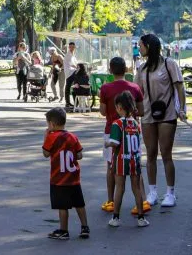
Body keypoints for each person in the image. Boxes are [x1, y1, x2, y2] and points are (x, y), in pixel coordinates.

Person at [135, 34, 187, 208]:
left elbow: (179, 86)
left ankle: (170, 193)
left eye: (140, 45)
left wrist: (182, 109)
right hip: (148, 115)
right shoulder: (141, 69)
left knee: (166, 153)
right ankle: (152, 192)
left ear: (148, 46)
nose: (139, 48)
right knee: (150, 153)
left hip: (167, 114)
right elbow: (137, 93)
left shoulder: (169, 64)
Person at [99, 56, 146, 215]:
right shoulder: (135, 87)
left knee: (111, 166)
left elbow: (103, 111)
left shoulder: (105, 88)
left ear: (111, 70)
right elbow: (142, 111)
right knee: (135, 165)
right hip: (132, 130)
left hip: (111, 129)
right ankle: (142, 201)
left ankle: (111, 201)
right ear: (126, 69)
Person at [42, 107, 89, 240]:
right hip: (73, 178)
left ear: (52, 124)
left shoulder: (52, 137)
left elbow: (46, 153)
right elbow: (79, 155)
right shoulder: (72, 136)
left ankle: (64, 230)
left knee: (62, 206)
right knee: (79, 203)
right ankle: (85, 227)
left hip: (59, 179)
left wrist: (45, 138)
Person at [104, 91, 148, 228]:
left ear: (119, 107)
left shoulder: (117, 124)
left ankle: (116, 217)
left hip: (121, 160)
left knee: (120, 188)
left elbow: (115, 143)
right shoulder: (135, 123)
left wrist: (107, 143)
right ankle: (141, 217)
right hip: (134, 159)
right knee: (136, 188)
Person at [62, 42, 79, 108]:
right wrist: (77, 67)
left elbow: (75, 63)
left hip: (72, 72)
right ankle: (68, 102)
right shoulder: (68, 55)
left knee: (71, 87)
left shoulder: (73, 55)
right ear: (69, 47)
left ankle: (73, 102)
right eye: (70, 47)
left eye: (73, 47)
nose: (72, 48)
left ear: (74, 48)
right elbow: (72, 64)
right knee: (69, 87)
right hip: (69, 73)